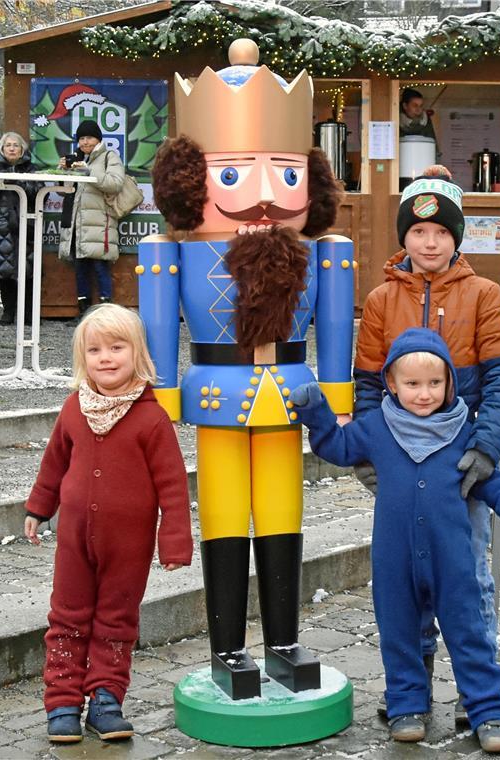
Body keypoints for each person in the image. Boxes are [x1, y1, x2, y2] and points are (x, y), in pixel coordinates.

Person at [143, 38, 353, 700]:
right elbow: (155, 330)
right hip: (216, 393)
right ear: (190, 179)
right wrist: (164, 397)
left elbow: (338, 332)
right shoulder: (170, 253)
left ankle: (285, 644)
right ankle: (229, 649)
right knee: (228, 517)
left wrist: (339, 394)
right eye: (233, 173)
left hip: (291, 395)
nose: (264, 192)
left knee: (284, 518)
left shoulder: (324, 255)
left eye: (285, 173)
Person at [293, 327, 500, 753]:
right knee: (399, 631)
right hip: (394, 558)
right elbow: (337, 445)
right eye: (412, 384)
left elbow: (489, 479)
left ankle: (489, 710)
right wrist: (317, 413)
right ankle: (407, 705)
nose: (424, 394)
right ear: (391, 383)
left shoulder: (463, 429)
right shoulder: (376, 428)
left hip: (453, 559)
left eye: (434, 384)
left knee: (469, 631)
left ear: (449, 383)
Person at [353, 164, 500, 727]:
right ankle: (413, 691)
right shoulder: (380, 300)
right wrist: (366, 451)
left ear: (457, 237)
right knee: (407, 577)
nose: (430, 242)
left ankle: (479, 696)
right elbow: (366, 384)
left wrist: (486, 446)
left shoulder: (484, 295)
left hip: (463, 460)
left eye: (442, 233)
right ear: (403, 236)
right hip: (403, 460)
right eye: (419, 232)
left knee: (469, 576)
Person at [23, 303, 192, 743]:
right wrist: (39, 507)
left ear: (136, 353)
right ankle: (62, 701)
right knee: (68, 616)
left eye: (117, 347)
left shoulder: (151, 417)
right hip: (74, 541)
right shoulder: (74, 409)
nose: (105, 357)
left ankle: (105, 699)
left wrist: (173, 540)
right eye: (95, 349)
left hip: (128, 545)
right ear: (83, 358)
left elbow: (172, 485)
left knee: (116, 620)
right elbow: (54, 463)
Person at [56, 120, 125, 317]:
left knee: (100, 266)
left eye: (89, 137)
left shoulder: (109, 157)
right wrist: (63, 171)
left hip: (99, 222)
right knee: (80, 268)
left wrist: (88, 171)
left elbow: (115, 184)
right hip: (76, 221)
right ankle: (84, 313)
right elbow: (63, 191)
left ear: (98, 139)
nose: (85, 142)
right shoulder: (75, 157)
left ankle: (106, 314)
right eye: (82, 138)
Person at [0, 131, 42, 325]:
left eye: (15, 145)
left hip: (28, 223)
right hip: (1, 224)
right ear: (2, 148)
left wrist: (19, 182)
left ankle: (28, 314)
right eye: (8, 145)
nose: (11, 148)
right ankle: (8, 312)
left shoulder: (31, 169)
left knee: (29, 270)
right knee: (4, 270)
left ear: (22, 149)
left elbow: (41, 193)